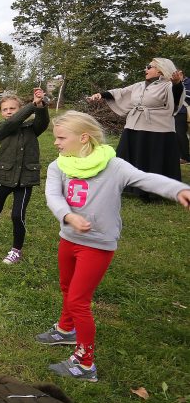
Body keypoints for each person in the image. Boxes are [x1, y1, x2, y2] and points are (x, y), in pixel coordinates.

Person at [38, 111, 190, 382]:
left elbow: (145, 179)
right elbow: (52, 195)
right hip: (69, 240)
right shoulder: (58, 166)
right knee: (66, 286)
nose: (56, 143)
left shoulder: (114, 166)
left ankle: (85, 364)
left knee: (78, 300)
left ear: (83, 138)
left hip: (97, 245)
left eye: (61, 137)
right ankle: (65, 329)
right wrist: (69, 216)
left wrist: (177, 189)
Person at [87, 57, 185, 201]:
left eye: (149, 66)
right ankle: (127, 186)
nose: (145, 69)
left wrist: (177, 84)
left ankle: (154, 191)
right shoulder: (139, 85)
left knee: (153, 160)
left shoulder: (168, 86)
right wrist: (101, 95)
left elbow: (176, 98)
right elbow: (120, 93)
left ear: (160, 69)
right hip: (134, 126)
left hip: (158, 130)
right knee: (127, 158)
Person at [0, 90, 49, 264]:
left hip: (25, 179)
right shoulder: (1, 128)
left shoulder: (32, 128)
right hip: (4, 177)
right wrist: (32, 105)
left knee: (17, 215)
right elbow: (14, 121)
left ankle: (16, 250)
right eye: (5, 109)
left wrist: (40, 105)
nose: (9, 112)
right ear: (1, 112)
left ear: (19, 108)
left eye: (13, 108)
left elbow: (43, 121)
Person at [174, 69, 190, 164]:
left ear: (181, 74)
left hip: (184, 111)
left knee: (181, 134)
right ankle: (181, 155)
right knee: (177, 134)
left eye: (177, 74)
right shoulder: (172, 83)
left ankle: (185, 157)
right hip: (175, 112)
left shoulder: (188, 82)